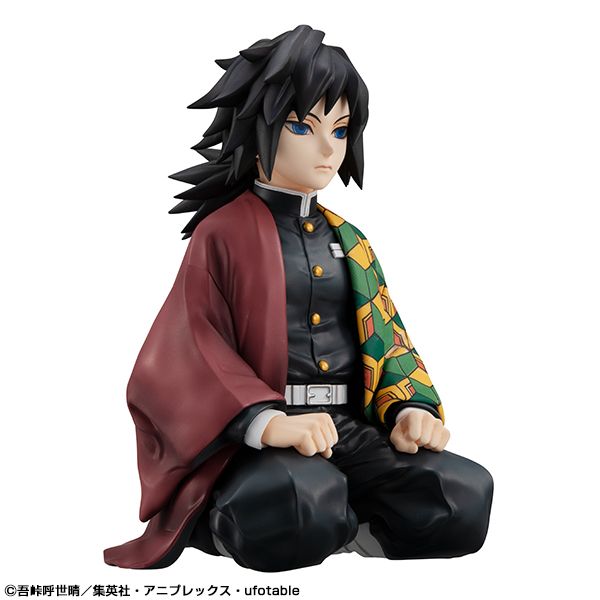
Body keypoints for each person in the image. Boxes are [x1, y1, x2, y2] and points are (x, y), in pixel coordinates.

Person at [104, 24, 493, 572]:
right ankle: (244, 520)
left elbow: (387, 336)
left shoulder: (350, 240)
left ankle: (345, 520)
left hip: (350, 425)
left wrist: (410, 408)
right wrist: (264, 421)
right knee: (298, 497)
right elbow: (188, 350)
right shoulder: (225, 233)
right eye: (302, 126)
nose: (327, 150)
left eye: (341, 130)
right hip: (262, 435)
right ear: (259, 125)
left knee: (463, 493)